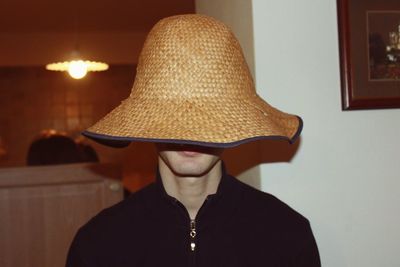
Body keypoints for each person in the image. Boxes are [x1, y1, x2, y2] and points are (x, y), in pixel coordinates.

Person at [66, 14, 320, 266]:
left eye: (207, 119)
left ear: (233, 123)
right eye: (172, 119)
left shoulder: (287, 235)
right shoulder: (98, 246)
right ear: (145, 124)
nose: (189, 137)